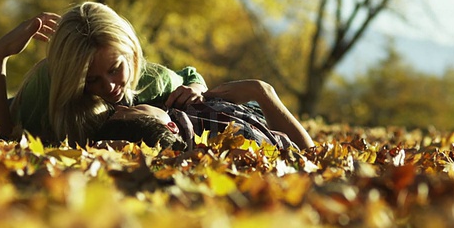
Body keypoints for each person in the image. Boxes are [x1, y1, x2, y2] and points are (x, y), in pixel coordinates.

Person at [0, 2, 207, 145]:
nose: (108, 86)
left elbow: (191, 77)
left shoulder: (153, 81)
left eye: (115, 69)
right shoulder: (47, 86)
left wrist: (196, 89)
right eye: (91, 80)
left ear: (131, 54)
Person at [94, 79, 315, 151]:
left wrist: (198, 87)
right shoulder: (229, 137)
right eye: (133, 110)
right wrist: (262, 92)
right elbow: (301, 150)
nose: (121, 107)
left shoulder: (169, 110)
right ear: (169, 127)